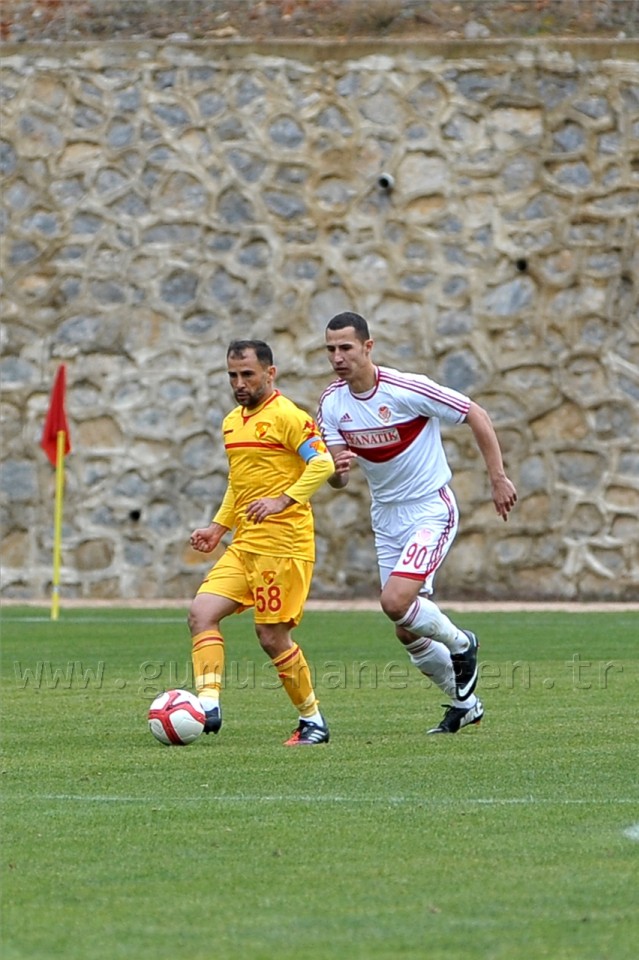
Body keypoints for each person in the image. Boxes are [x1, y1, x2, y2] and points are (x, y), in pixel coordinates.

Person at [317, 312, 517, 734]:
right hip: (387, 516)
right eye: (331, 349)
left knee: (394, 602)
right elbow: (340, 479)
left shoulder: (407, 389)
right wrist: (335, 469)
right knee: (406, 630)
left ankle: (464, 644)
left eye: (346, 347)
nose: (337, 356)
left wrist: (497, 477)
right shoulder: (332, 404)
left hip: (430, 508)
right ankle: (466, 703)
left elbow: (475, 413)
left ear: (368, 348)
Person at [188, 339, 335, 746]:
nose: (239, 383)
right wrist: (219, 528)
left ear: (270, 373)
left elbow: (321, 463)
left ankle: (313, 721)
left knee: (271, 638)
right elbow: (239, 482)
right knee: (202, 612)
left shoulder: (289, 416)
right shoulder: (232, 421)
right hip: (245, 545)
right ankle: (208, 705)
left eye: (247, 374)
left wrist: (283, 499)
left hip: (283, 547)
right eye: (233, 375)